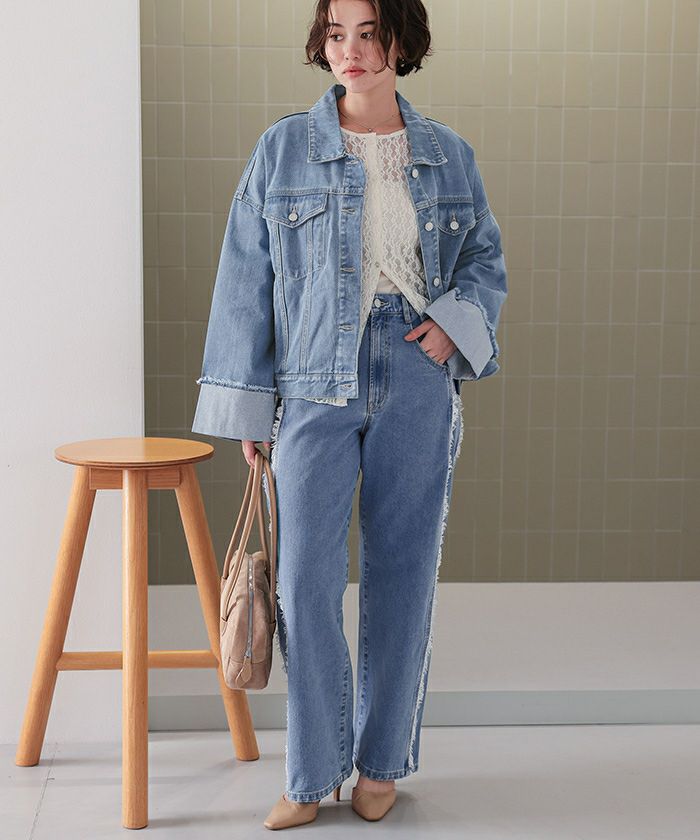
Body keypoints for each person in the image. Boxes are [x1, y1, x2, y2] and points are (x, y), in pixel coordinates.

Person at [191, 0, 507, 830]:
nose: (352, 51)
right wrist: (252, 409)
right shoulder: (283, 149)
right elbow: (245, 280)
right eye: (337, 34)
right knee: (303, 581)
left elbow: (484, 259)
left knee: (404, 573)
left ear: (402, 39)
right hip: (310, 384)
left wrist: (455, 325)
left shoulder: (448, 154)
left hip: (416, 372)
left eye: (370, 33)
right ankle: (310, 772)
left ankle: (380, 764)